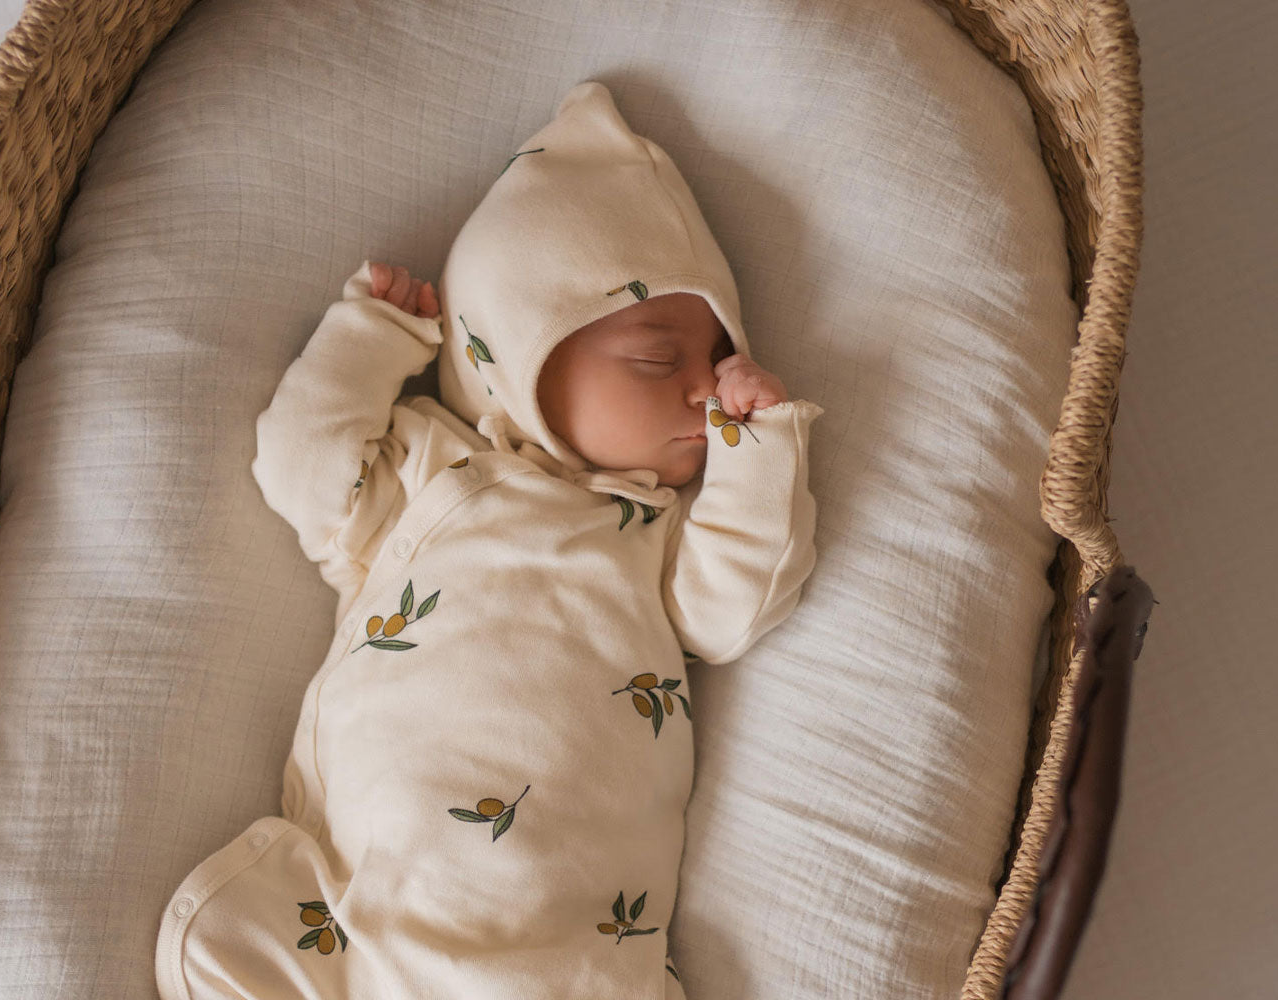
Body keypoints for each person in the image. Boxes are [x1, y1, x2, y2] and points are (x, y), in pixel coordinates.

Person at [155, 79, 825, 1000]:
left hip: (572, 932)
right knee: (232, 941)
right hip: (377, 886)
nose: (703, 388)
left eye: (715, 362)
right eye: (656, 357)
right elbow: (299, 467)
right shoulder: (431, 472)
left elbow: (736, 606)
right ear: (520, 354)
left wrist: (757, 446)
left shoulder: (655, 536)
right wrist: (371, 338)